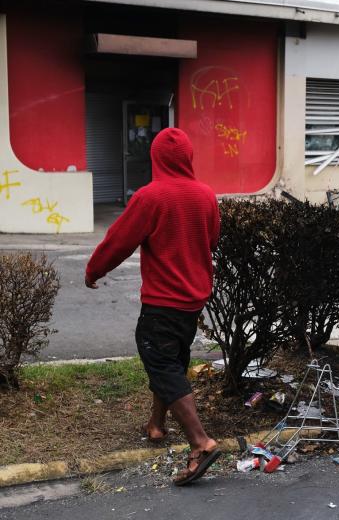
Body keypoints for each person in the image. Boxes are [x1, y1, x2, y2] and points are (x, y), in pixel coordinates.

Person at [85, 127, 221, 487]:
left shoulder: (151, 196)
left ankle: (200, 442)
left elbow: (119, 240)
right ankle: (157, 425)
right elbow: (212, 239)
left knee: (161, 364)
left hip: (162, 302)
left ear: (156, 158)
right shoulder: (206, 195)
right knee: (172, 362)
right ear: (188, 157)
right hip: (193, 301)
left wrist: (93, 270)